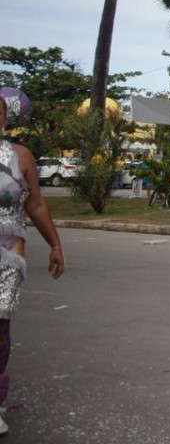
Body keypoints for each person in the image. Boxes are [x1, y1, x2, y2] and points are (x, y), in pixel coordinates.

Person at [0, 91, 66, 436]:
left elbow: (36, 205)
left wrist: (55, 244)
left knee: (0, 323)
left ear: (4, 118)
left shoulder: (19, 155)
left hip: (8, 251)